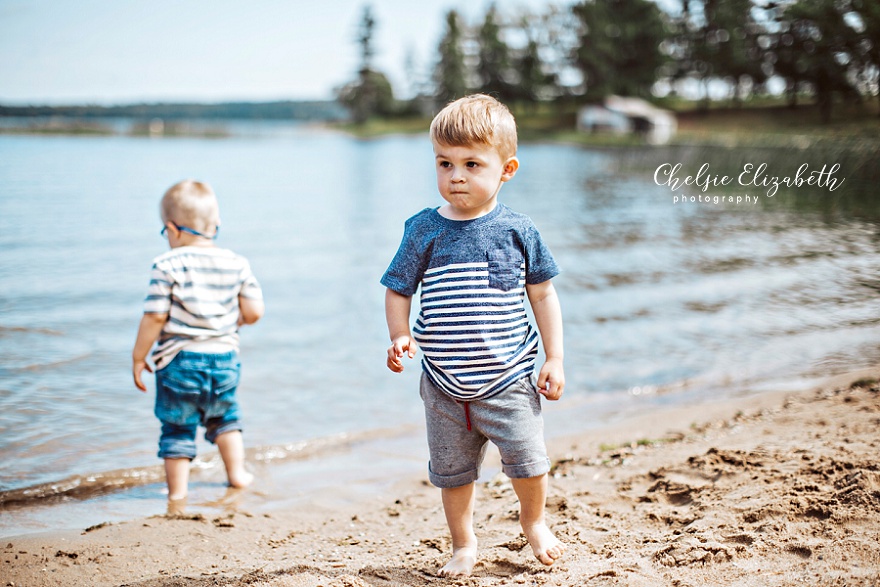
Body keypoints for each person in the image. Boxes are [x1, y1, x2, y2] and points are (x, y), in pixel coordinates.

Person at [381, 94, 566, 576]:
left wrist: (555, 358)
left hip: (509, 381)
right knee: (452, 474)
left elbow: (542, 296)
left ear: (506, 170)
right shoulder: (423, 229)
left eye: (471, 164)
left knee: (529, 462)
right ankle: (463, 544)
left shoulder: (517, 229)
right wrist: (400, 334)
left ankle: (534, 522)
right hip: (443, 387)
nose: (455, 176)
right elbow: (398, 290)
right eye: (444, 163)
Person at [132, 179, 264, 508]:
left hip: (179, 361)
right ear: (215, 226)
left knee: (177, 426)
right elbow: (254, 311)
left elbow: (154, 317)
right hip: (224, 358)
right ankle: (237, 475)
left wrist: (138, 356)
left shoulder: (166, 265)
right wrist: (234, 322)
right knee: (226, 418)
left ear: (171, 229)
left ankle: (178, 493)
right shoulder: (237, 263)